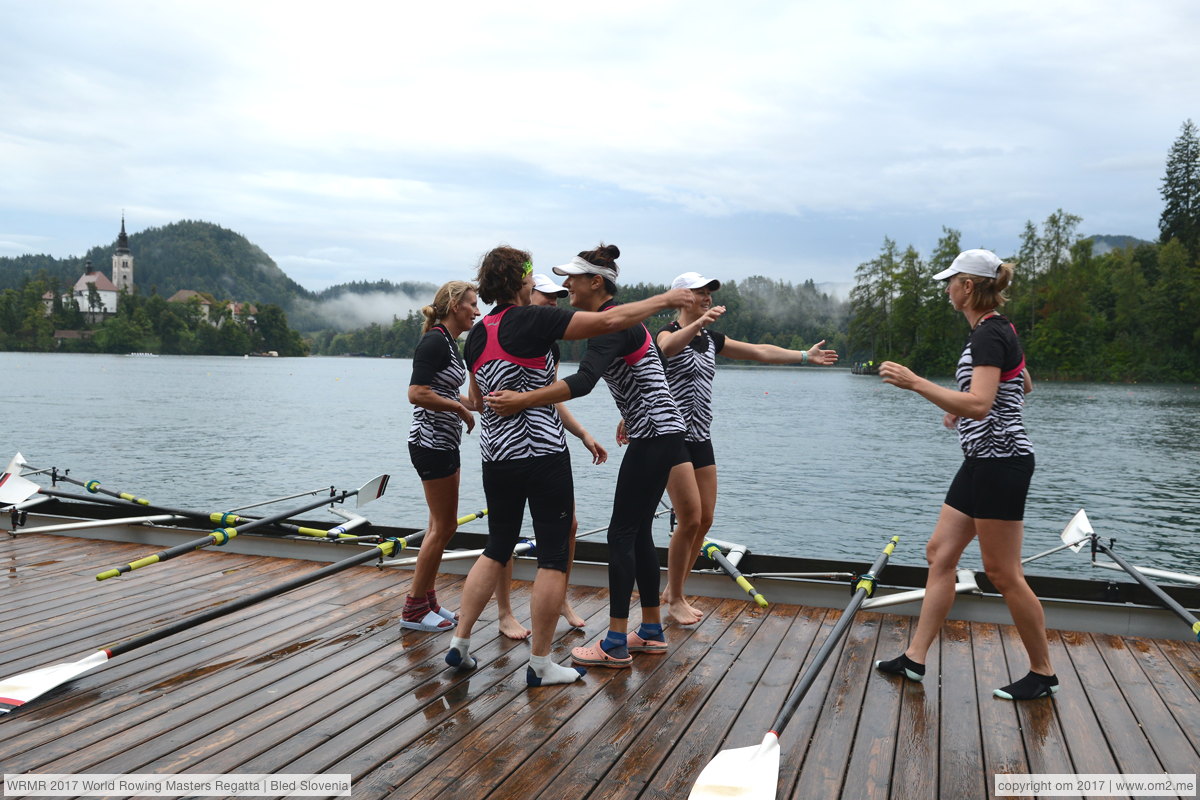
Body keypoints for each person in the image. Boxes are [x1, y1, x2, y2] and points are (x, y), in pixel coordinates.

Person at [444, 245, 693, 687]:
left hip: (497, 455)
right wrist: (665, 301)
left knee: (498, 545)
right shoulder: (539, 321)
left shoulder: (478, 333)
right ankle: (576, 653)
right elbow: (593, 354)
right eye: (535, 277)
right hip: (546, 452)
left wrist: (508, 398)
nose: (557, 288)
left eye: (569, 280)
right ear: (520, 282)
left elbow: (481, 401)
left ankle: (460, 644)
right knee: (564, 554)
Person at [874, 249, 1054, 701]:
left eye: (951, 281)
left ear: (968, 287)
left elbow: (981, 403)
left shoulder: (988, 335)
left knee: (1003, 571)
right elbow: (1022, 383)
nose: (947, 288)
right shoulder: (995, 330)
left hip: (1002, 463)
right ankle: (915, 658)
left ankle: (1042, 672)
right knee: (940, 553)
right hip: (981, 461)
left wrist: (918, 384)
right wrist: (967, 407)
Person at [656, 271, 838, 624]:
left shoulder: (710, 340)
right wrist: (699, 324)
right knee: (689, 518)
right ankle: (676, 596)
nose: (707, 297)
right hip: (670, 436)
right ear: (680, 296)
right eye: (699, 292)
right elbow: (666, 349)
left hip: (700, 437)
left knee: (705, 518)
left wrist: (803, 356)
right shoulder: (667, 332)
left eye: (710, 293)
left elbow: (759, 351)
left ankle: (672, 588)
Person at [492, 273, 606, 638]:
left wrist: (583, 433)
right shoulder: (506, 334)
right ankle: (505, 612)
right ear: (528, 295)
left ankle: (559, 599)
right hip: (508, 450)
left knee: (568, 525)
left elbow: (552, 397)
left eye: (559, 298)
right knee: (503, 536)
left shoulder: (550, 346)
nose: (554, 303)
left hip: (548, 447)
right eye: (547, 296)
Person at [402, 280, 479, 632]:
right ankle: (414, 610)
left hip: (444, 442)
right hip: (430, 443)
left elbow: (447, 390)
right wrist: (459, 410)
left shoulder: (449, 342)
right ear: (453, 305)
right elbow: (417, 393)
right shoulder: (434, 340)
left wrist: (474, 404)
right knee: (444, 526)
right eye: (472, 304)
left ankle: (428, 601)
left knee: (438, 525)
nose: (477, 311)